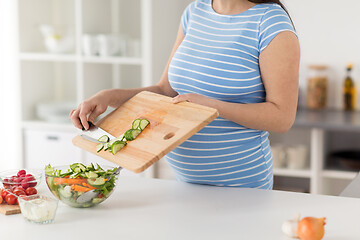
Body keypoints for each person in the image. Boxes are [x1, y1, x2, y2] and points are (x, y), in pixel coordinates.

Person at [70, 0, 300, 189]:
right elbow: (165, 91)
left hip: (240, 186)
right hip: (184, 183)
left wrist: (211, 107)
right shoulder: (195, 12)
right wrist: (109, 97)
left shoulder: (270, 23)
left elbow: (282, 117)